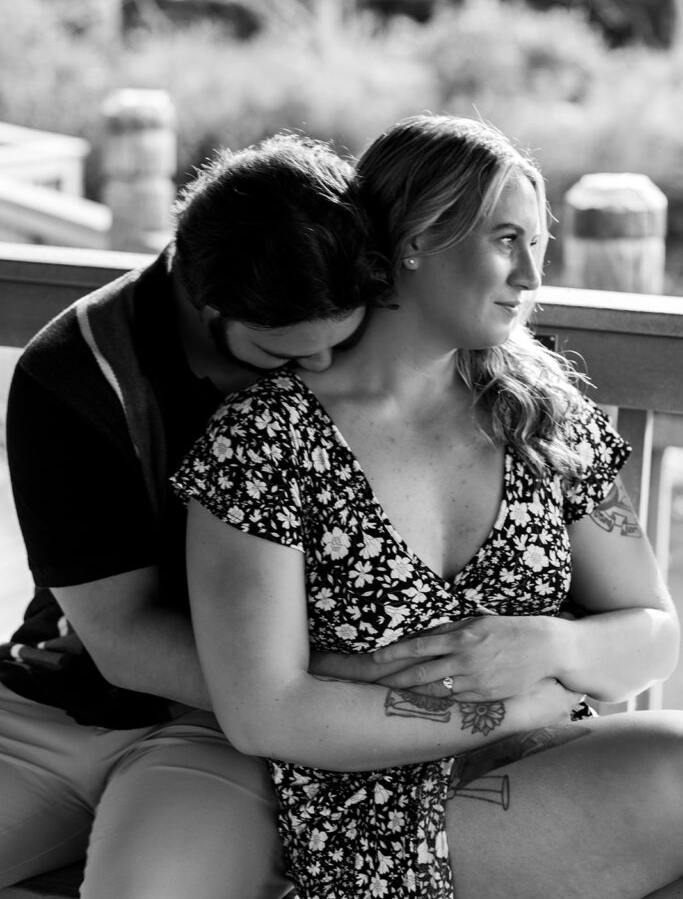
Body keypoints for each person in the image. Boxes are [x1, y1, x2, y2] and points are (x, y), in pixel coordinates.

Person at [174, 114, 683, 899]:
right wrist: (514, 705)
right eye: (506, 241)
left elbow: (652, 635)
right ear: (415, 238)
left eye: (537, 246)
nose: (532, 279)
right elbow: (266, 713)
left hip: (551, 775)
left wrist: (545, 647)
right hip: (369, 818)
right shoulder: (266, 438)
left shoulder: (539, 415)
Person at [0, 132, 389, 897]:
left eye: (336, 346)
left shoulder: (353, 346)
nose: (320, 373)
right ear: (204, 300)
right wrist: (324, 693)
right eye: (285, 355)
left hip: (229, 732)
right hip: (57, 703)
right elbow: (123, 639)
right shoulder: (74, 375)